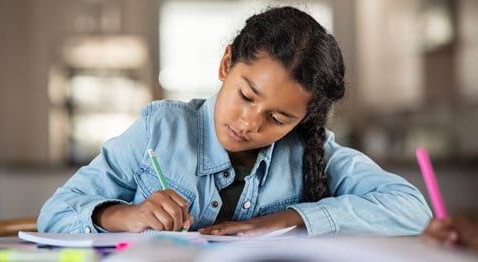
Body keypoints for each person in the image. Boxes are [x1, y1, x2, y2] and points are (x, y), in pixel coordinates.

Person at [38, 6, 431, 236]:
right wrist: (126, 215)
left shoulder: (313, 151)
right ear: (227, 63)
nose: (248, 123)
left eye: (278, 118)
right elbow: (54, 213)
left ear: (301, 119)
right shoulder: (161, 129)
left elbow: (413, 209)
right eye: (246, 95)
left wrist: (287, 219)